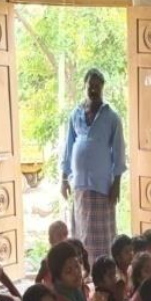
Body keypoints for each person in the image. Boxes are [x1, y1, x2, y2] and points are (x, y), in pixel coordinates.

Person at [60, 68, 126, 261]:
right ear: (85, 86)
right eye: (91, 86)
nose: (94, 90)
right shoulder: (76, 114)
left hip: (103, 186)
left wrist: (117, 184)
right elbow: (68, 147)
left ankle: (103, 271)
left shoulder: (111, 116)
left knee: (103, 236)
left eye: (98, 86)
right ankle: (84, 272)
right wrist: (64, 179)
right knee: (81, 233)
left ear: (102, 88)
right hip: (80, 185)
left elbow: (119, 151)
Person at [35, 221, 68, 285]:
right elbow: (37, 280)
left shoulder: (68, 257)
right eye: (59, 235)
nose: (63, 238)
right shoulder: (47, 261)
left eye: (65, 234)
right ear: (51, 239)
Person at [110, 234, 134, 301]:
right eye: (126, 252)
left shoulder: (130, 269)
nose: (131, 254)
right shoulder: (119, 279)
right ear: (118, 258)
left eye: (131, 250)